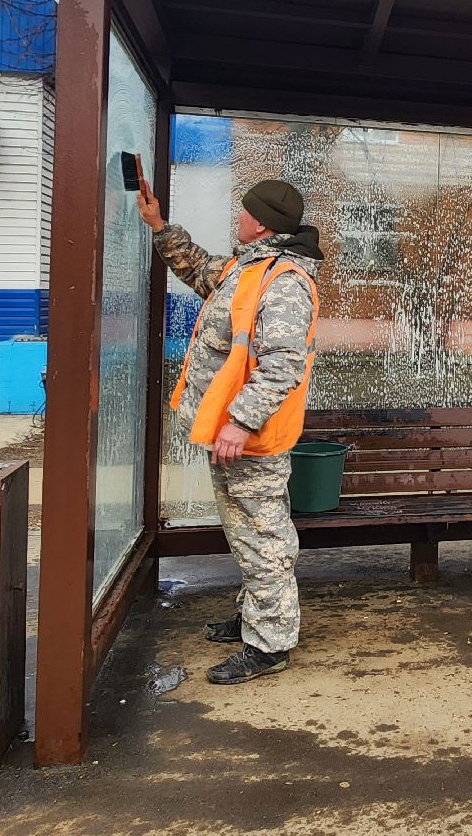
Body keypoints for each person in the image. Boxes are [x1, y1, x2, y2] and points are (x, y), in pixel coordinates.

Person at [137, 177, 324, 684]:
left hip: (252, 439)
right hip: (233, 435)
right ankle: (255, 618)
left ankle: (269, 645)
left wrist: (240, 422)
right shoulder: (249, 267)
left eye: (244, 211)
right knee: (246, 534)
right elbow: (198, 268)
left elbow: (282, 365)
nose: (237, 217)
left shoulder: (283, 282)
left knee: (264, 539)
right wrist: (159, 225)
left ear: (261, 223)